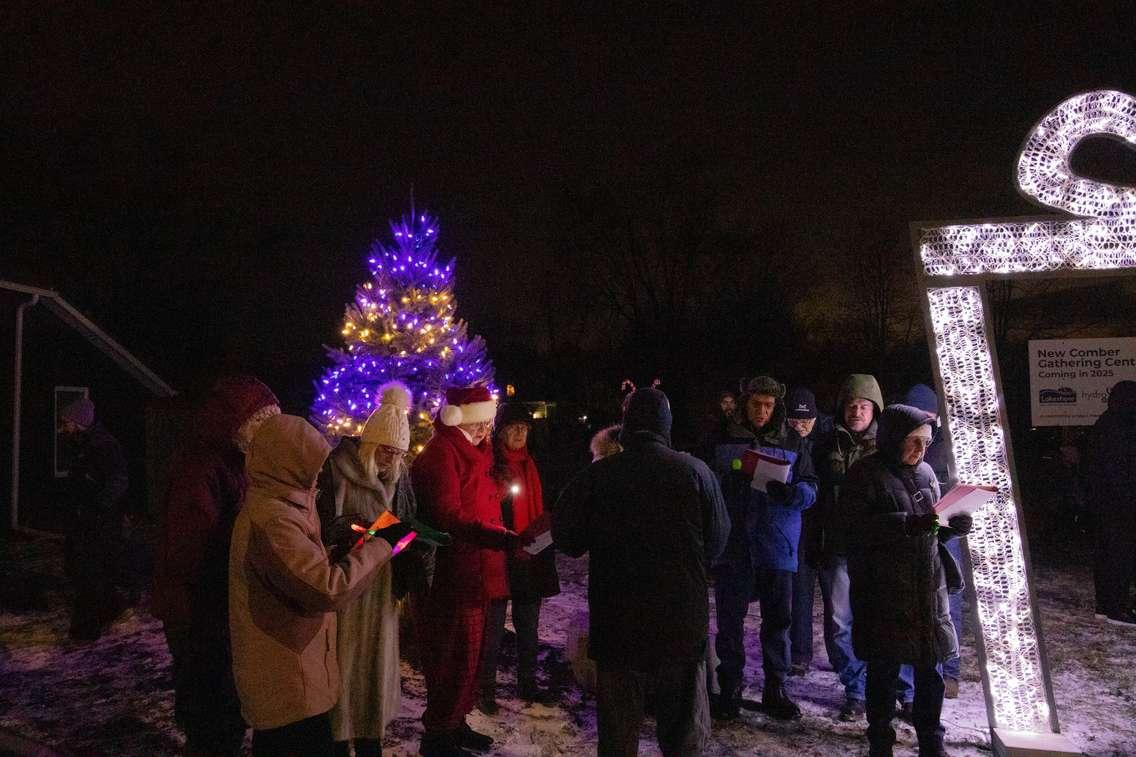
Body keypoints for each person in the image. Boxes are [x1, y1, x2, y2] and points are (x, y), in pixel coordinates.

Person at [553, 387, 729, 756]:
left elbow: (567, 537)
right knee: (682, 733)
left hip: (618, 625)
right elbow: (717, 541)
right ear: (667, 424)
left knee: (618, 735)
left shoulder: (600, 475)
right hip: (680, 625)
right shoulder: (696, 471)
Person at [228, 414, 412, 757]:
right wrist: (383, 542)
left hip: (300, 672)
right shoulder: (274, 519)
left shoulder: (287, 502)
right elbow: (326, 589)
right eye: (312, 466)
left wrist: (339, 544)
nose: (319, 476)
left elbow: (304, 565)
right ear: (289, 465)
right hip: (286, 680)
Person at [152, 376, 280, 755]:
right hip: (200, 610)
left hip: (221, 605)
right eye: (262, 425)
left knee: (227, 700)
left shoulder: (237, 462)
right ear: (241, 424)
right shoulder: (202, 469)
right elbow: (189, 549)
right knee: (210, 703)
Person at [843, 404, 972, 757]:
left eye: (926, 443)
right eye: (913, 441)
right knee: (884, 673)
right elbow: (852, 531)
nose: (920, 450)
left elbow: (930, 529)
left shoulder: (928, 472)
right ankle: (880, 742)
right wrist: (904, 524)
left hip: (926, 592)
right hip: (884, 593)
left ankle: (932, 741)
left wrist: (951, 528)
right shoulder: (864, 475)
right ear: (892, 439)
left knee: (930, 672)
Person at [411, 386, 521, 757]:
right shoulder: (442, 455)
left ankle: (455, 724)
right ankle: (438, 736)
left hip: (477, 570)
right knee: (452, 657)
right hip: (452, 574)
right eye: (482, 422)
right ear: (462, 418)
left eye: (489, 423)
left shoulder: (475, 452)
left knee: (470, 657)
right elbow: (448, 516)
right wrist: (494, 535)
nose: (487, 430)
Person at [316, 382, 419, 757]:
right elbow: (324, 526)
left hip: (382, 590)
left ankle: (371, 739)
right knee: (345, 667)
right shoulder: (338, 470)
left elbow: (406, 526)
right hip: (348, 586)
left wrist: (406, 540)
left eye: (398, 453)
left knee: (374, 672)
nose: (392, 460)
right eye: (387, 451)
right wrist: (362, 530)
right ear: (372, 445)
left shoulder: (399, 479)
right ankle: (339, 738)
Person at [709, 376, 817, 722]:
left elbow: (811, 487)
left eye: (768, 406)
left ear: (777, 407)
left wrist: (793, 495)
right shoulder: (722, 436)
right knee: (730, 623)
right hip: (735, 544)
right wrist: (730, 480)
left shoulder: (793, 441)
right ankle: (730, 687)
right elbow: (705, 480)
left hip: (777, 543)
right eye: (756, 404)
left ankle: (775, 687)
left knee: (778, 622)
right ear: (745, 403)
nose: (761, 411)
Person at [479, 402, 560, 713]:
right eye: (513, 427)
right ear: (500, 430)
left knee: (528, 625)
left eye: (524, 428)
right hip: (501, 551)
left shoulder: (532, 464)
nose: (519, 433)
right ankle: (486, 687)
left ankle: (527, 682)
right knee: (494, 626)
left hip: (531, 551)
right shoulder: (491, 463)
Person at [812, 373, 884, 720]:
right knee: (840, 623)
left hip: (876, 551)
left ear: (875, 410)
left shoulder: (888, 445)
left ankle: (896, 689)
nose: (857, 411)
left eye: (864, 406)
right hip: (837, 549)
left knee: (883, 620)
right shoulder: (825, 444)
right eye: (852, 405)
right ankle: (855, 689)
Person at [896, 383, 966, 704]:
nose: (923, 426)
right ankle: (906, 683)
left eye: (928, 418)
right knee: (906, 607)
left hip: (944, 533)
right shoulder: (899, 447)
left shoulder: (951, 445)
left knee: (947, 602)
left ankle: (948, 669)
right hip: (910, 535)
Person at [59, 396, 130, 641]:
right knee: (93, 570)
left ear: (78, 422)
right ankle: (111, 607)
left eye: (66, 421)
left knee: (89, 573)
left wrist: (98, 505)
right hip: (86, 520)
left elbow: (118, 480)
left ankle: (85, 630)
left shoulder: (103, 446)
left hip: (99, 522)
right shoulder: (81, 445)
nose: (63, 427)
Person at [784, 385, 833, 678]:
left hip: (826, 526)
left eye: (806, 421)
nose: (800, 427)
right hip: (798, 525)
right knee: (799, 592)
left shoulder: (829, 439)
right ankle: (800, 654)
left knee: (833, 597)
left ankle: (839, 655)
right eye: (794, 421)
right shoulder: (785, 439)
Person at [1084, 379, 1136, 627]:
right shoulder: (1121, 427)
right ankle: (1117, 608)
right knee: (1120, 556)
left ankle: (1106, 605)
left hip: (1103, 504)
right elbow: (1122, 469)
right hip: (1119, 505)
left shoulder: (1104, 423)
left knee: (1107, 555)